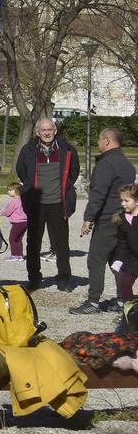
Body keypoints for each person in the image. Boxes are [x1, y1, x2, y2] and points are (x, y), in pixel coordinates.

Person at [72, 127, 136, 314]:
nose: (98, 143)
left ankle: (92, 302)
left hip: (109, 218)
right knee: (117, 259)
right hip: (123, 218)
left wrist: (89, 218)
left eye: (100, 139)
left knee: (96, 258)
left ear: (107, 141)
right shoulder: (127, 163)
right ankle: (122, 299)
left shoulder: (106, 164)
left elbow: (98, 193)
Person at [16, 117, 80, 291]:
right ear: (37, 132)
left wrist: (64, 189)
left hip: (58, 203)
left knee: (61, 244)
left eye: (49, 129)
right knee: (33, 243)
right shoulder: (28, 150)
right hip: (36, 204)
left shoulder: (67, 150)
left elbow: (73, 172)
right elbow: (21, 171)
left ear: (55, 130)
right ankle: (35, 279)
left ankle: (64, 279)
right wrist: (30, 186)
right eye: (43, 130)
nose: (46, 133)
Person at [108, 183, 138, 302]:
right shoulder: (121, 219)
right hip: (131, 260)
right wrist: (119, 259)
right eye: (121, 200)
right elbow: (122, 242)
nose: (123, 204)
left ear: (136, 201)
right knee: (124, 284)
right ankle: (129, 312)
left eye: (126, 200)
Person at [1, 181, 28, 262]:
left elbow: (8, 211)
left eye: (10, 190)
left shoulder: (14, 201)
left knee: (12, 239)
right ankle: (20, 255)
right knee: (19, 239)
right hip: (25, 223)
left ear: (16, 191)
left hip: (17, 223)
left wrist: (1, 213)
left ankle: (14, 255)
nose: (8, 191)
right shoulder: (23, 200)